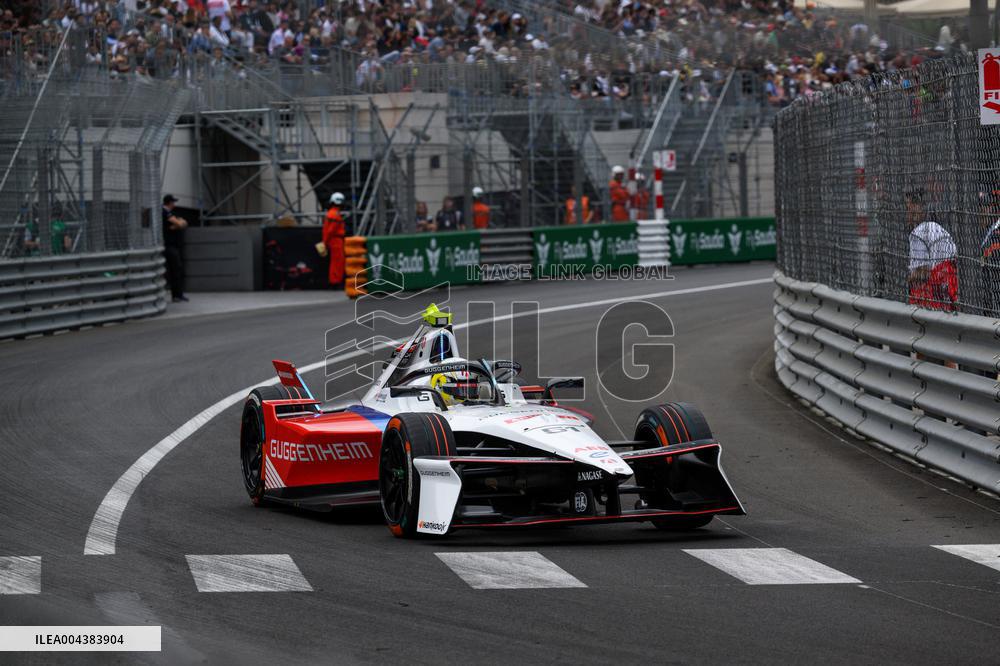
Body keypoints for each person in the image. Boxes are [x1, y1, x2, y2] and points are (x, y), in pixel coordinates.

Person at [906, 190, 957, 311]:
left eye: (907, 208)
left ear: (915, 208)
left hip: (934, 295)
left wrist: (907, 279)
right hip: (948, 287)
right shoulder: (936, 226)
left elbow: (922, 272)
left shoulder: (918, 233)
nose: (906, 214)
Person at [162, 194, 188, 302]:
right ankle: (177, 295)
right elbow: (180, 224)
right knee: (176, 270)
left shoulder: (169, 213)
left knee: (176, 270)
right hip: (170, 246)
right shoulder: (165, 212)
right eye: (173, 202)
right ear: (170, 202)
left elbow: (182, 224)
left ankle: (177, 294)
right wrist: (179, 223)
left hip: (172, 245)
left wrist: (179, 224)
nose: (174, 204)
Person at [979, 190, 1000, 316]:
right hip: (987, 295)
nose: (981, 212)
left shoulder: (996, 232)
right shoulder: (984, 231)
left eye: (984, 208)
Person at [323, 192, 346, 289]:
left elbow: (327, 230)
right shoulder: (335, 214)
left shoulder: (331, 213)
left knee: (335, 261)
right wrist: (325, 242)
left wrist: (325, 241)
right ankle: (335, 281)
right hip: (336, 240)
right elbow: (331, 230)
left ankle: (335, 280)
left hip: (334, 240)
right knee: (338, 262)